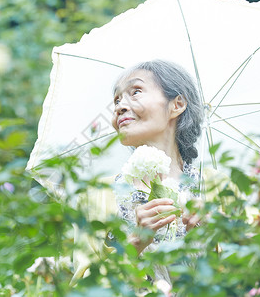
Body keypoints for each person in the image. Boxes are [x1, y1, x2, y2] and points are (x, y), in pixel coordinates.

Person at [71, 59, 204, 291]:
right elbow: (84, 290)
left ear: (177, 104)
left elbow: (257, 271)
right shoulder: (96, 196)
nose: (120, 106)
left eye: (136, 92)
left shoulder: (215, 186)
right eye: (117, 100)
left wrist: (213, 234)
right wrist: (134, 243)